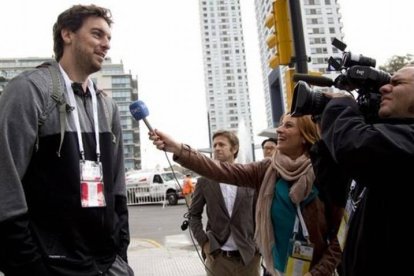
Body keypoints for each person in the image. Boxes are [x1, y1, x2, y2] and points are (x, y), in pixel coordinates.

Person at [0, 5, 133, 276]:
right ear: (67, 35)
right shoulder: (29, 91)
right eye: (97, 34)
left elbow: (118, 186)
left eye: (108, 38)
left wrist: (119, 251)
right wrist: (30, 266)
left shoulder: (107, 107)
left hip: (106, 265)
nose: (106, 44)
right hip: (51, 266)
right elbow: (4, 183)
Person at [150, 114, 342, 276]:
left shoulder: (325, 172)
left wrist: (318, 273)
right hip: (276, 270)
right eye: (280, 124)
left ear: (304, 136)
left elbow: (341, 235)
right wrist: (177, 148)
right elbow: (218, 171)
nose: (279, 130)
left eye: (288, 126)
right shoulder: (267, 170)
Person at [316, 65, 414, 276]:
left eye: (396, 83)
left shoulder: (407, 142)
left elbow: (353, 147)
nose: (384, 89)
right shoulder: (384, 143)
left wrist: (340, 104)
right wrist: (324, 131)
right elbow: (335, 190)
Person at [190, 130, 260, 276]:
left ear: (234, 149)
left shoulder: (250, 176)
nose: (216, 148)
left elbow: (260, 213)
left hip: (248, 258)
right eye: (214, 145)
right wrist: (204, 242)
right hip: (218, 258)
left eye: (221, 144)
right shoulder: (204, 181)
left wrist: (259, 247)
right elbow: (193, 215)